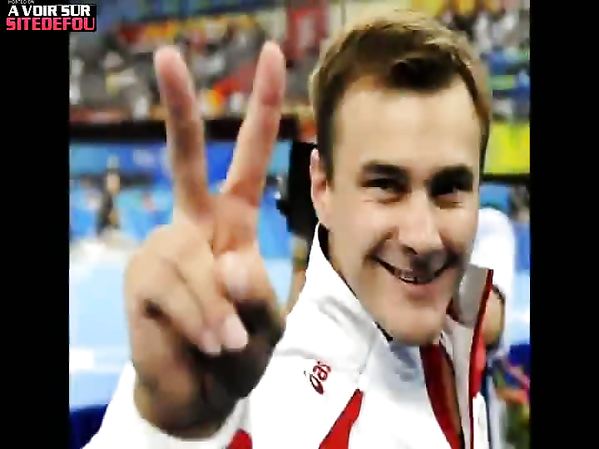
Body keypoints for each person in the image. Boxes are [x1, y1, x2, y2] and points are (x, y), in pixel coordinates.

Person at [87, 9, 494, 449]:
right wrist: (164, 430)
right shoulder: (285, 410)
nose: (424, 237)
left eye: (450, 188)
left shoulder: (451, 334)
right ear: (322, 187)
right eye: (385, 185)